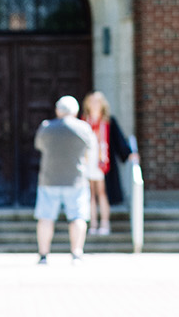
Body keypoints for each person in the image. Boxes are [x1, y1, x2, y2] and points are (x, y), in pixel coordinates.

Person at [32, 95, 96, 265]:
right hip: (76, 180)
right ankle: (76, 253)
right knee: (77, 217)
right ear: (75, 111)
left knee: (46, 217)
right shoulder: (84, 128)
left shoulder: (47, 128)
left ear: (57, 110)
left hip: (49, 179)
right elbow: (90, 149)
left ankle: (43, 255)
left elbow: (39, 145)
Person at [78, 91, 134, 236]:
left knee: (102, 193)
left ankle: (105, 223)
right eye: (92, 101)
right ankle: (93, 224)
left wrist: (129, 154)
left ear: (103, 104)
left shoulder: (109, 121)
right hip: (87, 161)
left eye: (98, 101)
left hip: (103, 162)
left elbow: (119, 141)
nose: (94, 104)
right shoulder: (83, 121)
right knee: (90, 194)